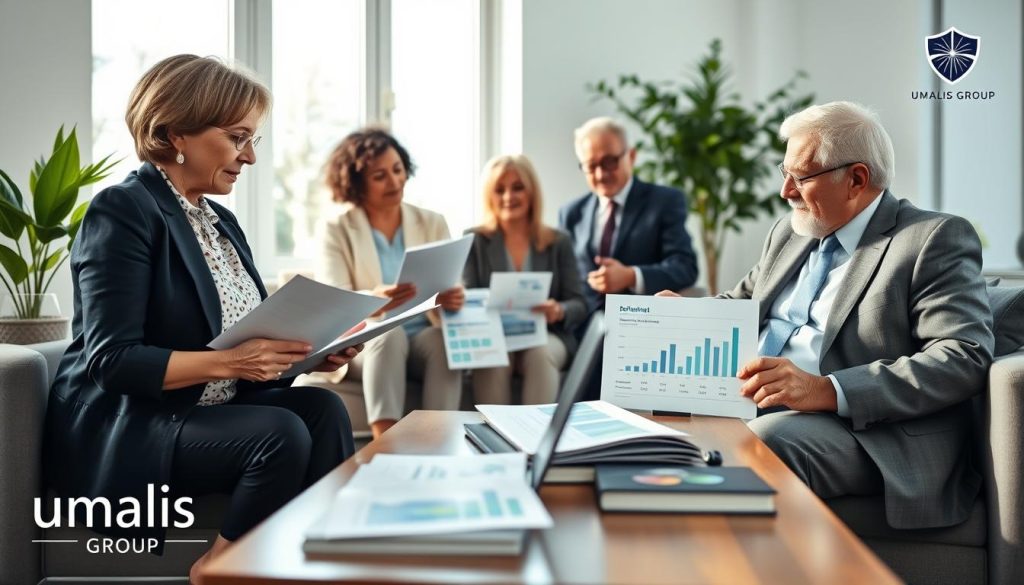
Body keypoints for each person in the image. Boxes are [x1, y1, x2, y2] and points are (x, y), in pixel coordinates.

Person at [43, 55, 363, 584]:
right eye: (239, 137)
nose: (251, 157)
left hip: (207, 410)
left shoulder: (219, 221)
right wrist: (233, 361)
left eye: (253, 139)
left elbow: (245, 347)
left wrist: (309, 354)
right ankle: (219, 568)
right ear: (174, 134)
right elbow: (114, 362)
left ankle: (319, 558)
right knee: (279, 431)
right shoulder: (122, 211)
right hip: (135, 422)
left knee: (324, 409)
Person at [658, 101, 995, 530]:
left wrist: (826, 390)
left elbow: (963, 356)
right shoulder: (791, 230)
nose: (785, 192)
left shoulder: (931, 239)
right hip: (750, 401)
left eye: (800, 177)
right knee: (640, 427)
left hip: (862, 431)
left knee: (769, 442)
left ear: (856, 179)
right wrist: (686, 314)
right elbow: (742, 303)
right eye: (784, 174)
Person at [312, 128, 463, 440]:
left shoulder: (432, 221)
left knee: (440, 341)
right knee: (388, 335)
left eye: (398, 170)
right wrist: (373, 299)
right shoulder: (336, 228)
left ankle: (438, 439)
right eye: (380, 176)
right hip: (365, 344)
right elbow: (334, 299)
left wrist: (451, 297)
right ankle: (387, 443)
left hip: (421, 334)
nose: (394, 182)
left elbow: (448, 282)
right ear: (356, 183)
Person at [463, 155, 587, 404]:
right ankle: (496, 436)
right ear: (490, 196)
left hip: (546, 336)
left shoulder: (558, 241)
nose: (509, 197)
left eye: (518, 187)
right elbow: (467, 298)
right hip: (495, 337)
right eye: (500, 190)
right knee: (493, 357)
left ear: (532, 191)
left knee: (540, 353)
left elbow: (580, 303)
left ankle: (538, 439)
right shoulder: (474, 240)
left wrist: (559, 310)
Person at [558, 116, 698, 313]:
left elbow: (685, 267)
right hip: (584, 330)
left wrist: (631, 276)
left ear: (631, 156)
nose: (600, 174)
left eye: (609, 162)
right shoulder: (571, 213)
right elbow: (566, 282)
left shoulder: (664, 202)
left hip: (641, 325)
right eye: (591, 166)